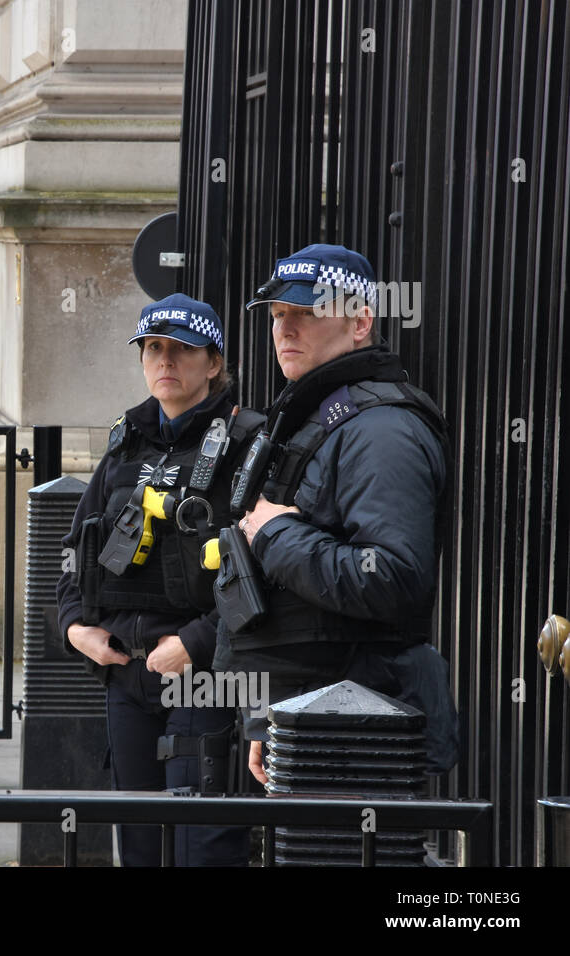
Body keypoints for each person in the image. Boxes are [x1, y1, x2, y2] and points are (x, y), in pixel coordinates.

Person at [213, 243, 456, 785]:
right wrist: (264, 718)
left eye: (307, 312)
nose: (285, 329)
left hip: (359, 730)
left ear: (361, 321)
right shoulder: (315, 415)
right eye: (278, 315)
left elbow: (392, 575)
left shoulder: (382, 429)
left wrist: (274, 533)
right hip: (309, 720)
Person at [56, 294, 260, 867]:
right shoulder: (126, 439)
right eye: (152, 349)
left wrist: (193, 643)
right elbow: (75, 551)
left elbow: (266, 570)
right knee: (140, 847)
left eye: (180, 350)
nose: (164, 361)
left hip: (202, 677)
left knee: (201, 848)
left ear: (214, 363)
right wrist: (76, 627)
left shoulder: (247, 443)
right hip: (126, 676)